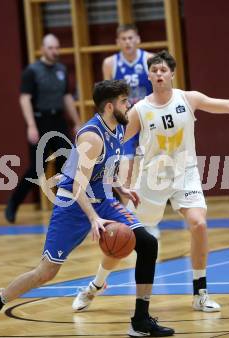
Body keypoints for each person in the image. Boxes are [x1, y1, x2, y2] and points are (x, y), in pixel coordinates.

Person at [74, 50, 229, 313]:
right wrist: (93, 161)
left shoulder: (189, 99)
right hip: (151, 180)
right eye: (154, 70)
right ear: (149, 76)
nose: (158, 74)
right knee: (123, 238)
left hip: (185, 173)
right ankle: (95, 285)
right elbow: (113, 141)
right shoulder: (139, 110)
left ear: (172, 74)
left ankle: (200, 292)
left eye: (163, 70)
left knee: (199, 224)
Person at [0, 80, 174, 338]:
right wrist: (93, 217)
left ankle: (140, 320)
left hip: (103, 198)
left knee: (147, 243)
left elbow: (105, 169)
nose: (128, 104)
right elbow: (77, 184)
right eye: (123, 101)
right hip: (73, 203)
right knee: (46, 272)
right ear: (109, 106)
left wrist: (120, 188)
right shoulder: (91, 136)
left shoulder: (118, 127)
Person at [5, 34, 81, 223]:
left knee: (69, 164)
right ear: (42, 49)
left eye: (57, 48)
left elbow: (66, 97)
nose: (55, 51)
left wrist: (77, 122)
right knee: (37, 169)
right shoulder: (32, 71)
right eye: (51, 48)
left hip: (59, 120)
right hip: (40, 121)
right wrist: (31, 126)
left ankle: (69, 208)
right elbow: (24, 99)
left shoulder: (61, 70)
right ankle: (13, 204)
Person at [102, 24, 158, 236]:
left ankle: (150, 221)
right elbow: (108, 98)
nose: (127, 42)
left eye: (130, 38)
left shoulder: (149, 59)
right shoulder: (110, 63)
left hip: (147, 123)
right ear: (118, 42)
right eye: (123, 38)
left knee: (149, 175)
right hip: (124, 125)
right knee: (125, 175)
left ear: (138, 39)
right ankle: (132, 221)